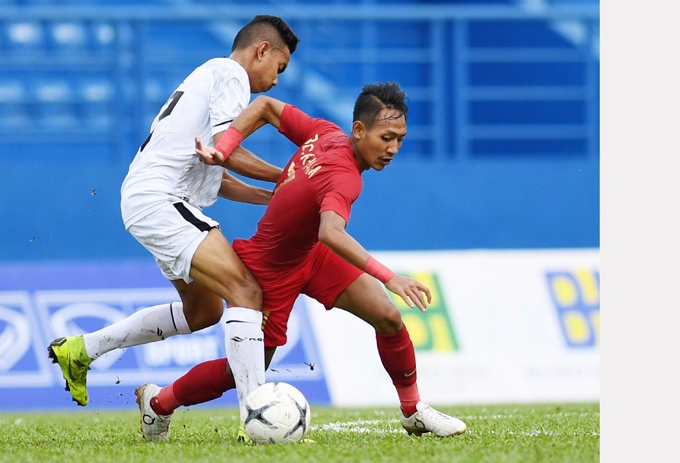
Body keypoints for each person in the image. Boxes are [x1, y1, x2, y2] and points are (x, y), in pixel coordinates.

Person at [135, 81, 467, 443]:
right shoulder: (345, 177)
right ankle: (159, 402)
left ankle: (413, 410)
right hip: (268, 271)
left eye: (400, 140)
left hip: (311, 256)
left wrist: (225, 147)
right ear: (358, 130)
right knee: (243, 371)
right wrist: (390, 277)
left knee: (386, 316)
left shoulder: (324, 132)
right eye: (387, 137)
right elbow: (331, 232)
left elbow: (265, 107)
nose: (393, 149)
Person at [46, 15, 300, 430]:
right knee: (246, 291)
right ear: (261, 51)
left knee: (203, 312)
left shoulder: (210, 77)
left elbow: (218, 171)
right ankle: (256, 419)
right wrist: (289, 175)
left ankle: (81, 350)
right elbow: (227, 148)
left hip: (152, 199)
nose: (275, 81)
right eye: (279, 67)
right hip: (161, 200)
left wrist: (273, 195)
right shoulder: (232, 74)